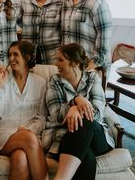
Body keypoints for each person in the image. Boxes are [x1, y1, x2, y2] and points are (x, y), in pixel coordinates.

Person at [43, 43, 115, 180]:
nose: (55, 63)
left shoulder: (93, 78)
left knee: (87, 121)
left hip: (97, 136)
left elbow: (98, 113)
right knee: (86, 155)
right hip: (65, 136)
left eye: (60, 60)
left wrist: (77, 106)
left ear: (75, 63)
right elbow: (57, 115)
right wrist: (75, 102)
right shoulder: (55, 81)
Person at [0, 40, 49, 180]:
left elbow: (41, 117)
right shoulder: (1, 79)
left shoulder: (40, 82)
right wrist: (1, 87)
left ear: (27, 57)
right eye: (9, 55)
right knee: (29, 139)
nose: (11, 59)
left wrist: (29, 130)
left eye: (16, 54)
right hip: (3, 135)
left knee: (20, 158)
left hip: (29, 133)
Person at [61, 0, 112, 71]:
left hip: (90, 65)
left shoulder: (95, 0)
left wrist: (97, 60)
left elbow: (104, 32)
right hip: (70, 63)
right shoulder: (66, 1)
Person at [18, 0, 64, 65]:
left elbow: (63, 25)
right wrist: (30, 28)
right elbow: (19, 20)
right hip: (28, 52)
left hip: (52, 53)